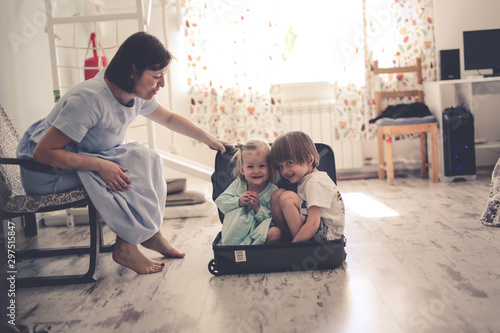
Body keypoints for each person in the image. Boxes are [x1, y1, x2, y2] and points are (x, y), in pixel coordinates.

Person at [16, 32, 228, 274]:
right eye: (156, 76)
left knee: (148, 158)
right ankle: (126, 246)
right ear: (132, 71)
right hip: (48, 172)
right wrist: (99, 166)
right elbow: (43, 153)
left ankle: (149, 233)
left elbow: (168, 118)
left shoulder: (134, 93)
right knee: (136, 161)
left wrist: (209, 139)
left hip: (79, 158)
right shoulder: (90, 99)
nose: (162, 84)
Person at [269, 131, 345, 243]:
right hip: (319, 228)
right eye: (280, 166)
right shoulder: (309, 178)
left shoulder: (315, 181)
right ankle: (287, 240)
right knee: (277, 195)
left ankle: (299, 246)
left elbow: (313, 223)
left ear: (309, 160)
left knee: (287, 198)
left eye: (289, 163)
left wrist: (293, 250)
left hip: (326, 237)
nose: (284, 171)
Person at [215, 139, 281, 245]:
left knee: (276, 232)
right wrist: (239, 201)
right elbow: (221, 202)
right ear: (242, 170)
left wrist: (258, 208)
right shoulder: (239, 184)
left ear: (270, 168)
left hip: (256, 237)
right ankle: (237, 252)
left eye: (262, 166)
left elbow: (273, 220)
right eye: (250, 166)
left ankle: (254, 255)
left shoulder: (273, 191)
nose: (256, 171)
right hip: (236, 236)